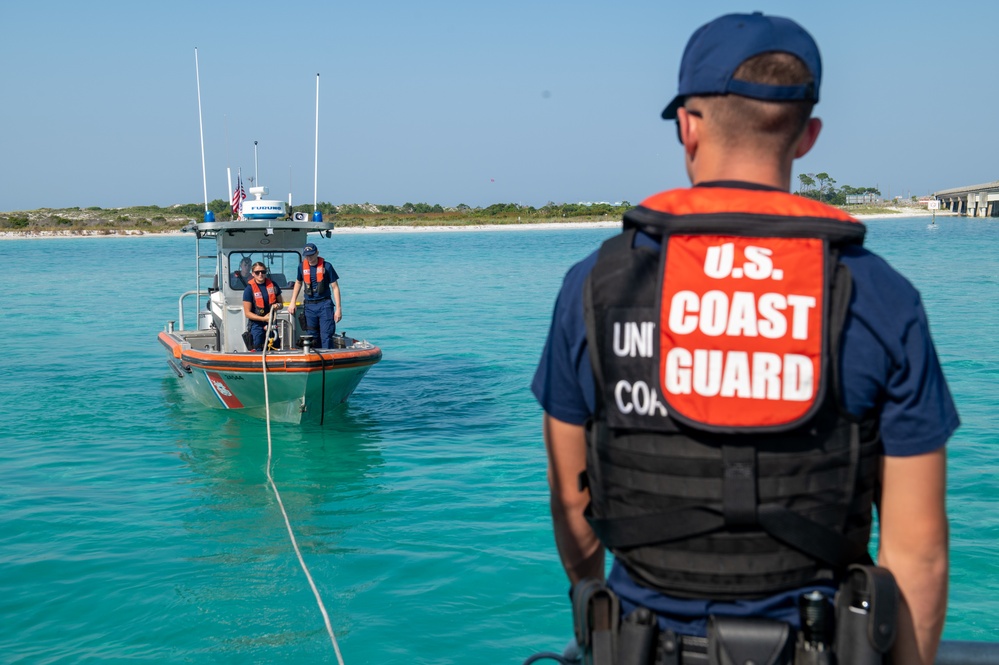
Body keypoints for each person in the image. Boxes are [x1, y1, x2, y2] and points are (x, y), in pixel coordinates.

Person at [532, 12, 956, 665]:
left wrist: (599, 618)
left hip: (639, 645)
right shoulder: (878, 296)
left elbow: (570, 501)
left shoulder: (594, 286)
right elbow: (917, 553)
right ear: (807, 136)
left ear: (687, 126)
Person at [287, 242, 342, 349]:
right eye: (307, 255)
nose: (310, 258)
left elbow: (335, 287)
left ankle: (327, 358)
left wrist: (338, 309)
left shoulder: (327, 266)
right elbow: (298, 283)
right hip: (309, 306)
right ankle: (315, 358)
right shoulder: (301, 267)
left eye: (312, 254)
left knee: (326, 335)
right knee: (312, 335)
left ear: (317, 253)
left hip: (324, 304)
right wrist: (292, 302)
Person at [241, 262, 282, 351]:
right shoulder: (249, 289)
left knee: (274, 346)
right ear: (253, 274)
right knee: (258, 347)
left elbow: (281, 304)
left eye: (263, 272)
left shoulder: (273, 285)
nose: (260, 274)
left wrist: (277, 306)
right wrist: (263, 319)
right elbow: (247, 313)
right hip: (256, 325)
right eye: (257, 272)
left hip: (271, 323)